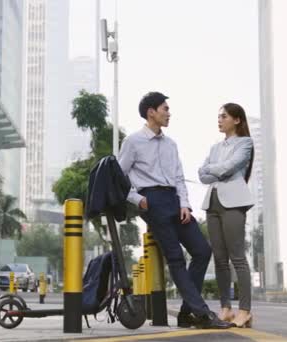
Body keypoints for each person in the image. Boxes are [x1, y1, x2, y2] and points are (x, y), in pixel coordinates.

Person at [118, 91, 231, 329]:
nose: (169, 113)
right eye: (165, 109)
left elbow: (179, 177)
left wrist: (184, 204)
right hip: (152, 201)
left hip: (174, 200)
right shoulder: (133, 142)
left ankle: (186, 313)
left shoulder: (171, 144)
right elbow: (119, 178)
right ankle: (201, 314)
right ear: (151, 112)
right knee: (176, 259)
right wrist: (138, 200)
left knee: (202, 250)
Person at [198, 103, 254, 328]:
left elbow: (227, 168)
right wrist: (215, 169)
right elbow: (202, 175)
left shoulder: (246, 143)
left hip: (234, 202)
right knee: (220, 259)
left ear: (237, 120)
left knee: (237, 258)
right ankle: (225, 308)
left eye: (224, 116)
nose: (219, 120)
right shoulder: (215, 147)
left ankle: (245, 310)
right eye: (219, 116)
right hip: (212, 203)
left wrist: (213, 169)